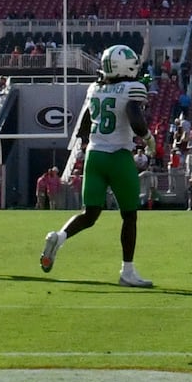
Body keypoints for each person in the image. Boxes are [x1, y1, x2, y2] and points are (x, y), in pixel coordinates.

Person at [41, 44, 153, 286]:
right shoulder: (132, 88)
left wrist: (84, 145)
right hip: (118, 156)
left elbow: (84, 124)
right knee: (129, 215)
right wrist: (149, 138)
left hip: (94, 156)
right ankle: (127, 271)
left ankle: (59, 237)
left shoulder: (95, 88)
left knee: (90, 214)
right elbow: (136, 122)